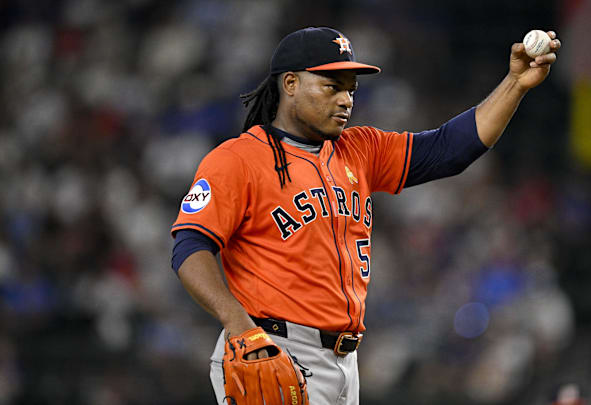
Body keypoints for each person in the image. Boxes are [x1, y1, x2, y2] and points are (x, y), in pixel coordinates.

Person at [170, 26, 560, 405]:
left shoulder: (361, 149)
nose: (345, 100)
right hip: (273, 348)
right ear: (289, 84)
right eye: (331, 86)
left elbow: (450, 149)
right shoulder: (238, 160)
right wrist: (238, 325)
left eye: (350, 90)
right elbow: (189, 248)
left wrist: (515, 84)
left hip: (344, 362)